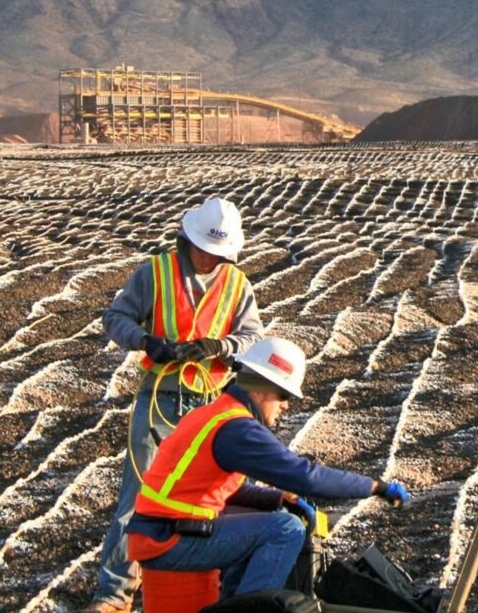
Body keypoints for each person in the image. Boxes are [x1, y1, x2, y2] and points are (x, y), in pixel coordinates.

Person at [125, 337, 410, 599]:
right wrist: (376, 487)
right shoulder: (237, 429)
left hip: (160, 532)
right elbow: (305, 476)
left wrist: (278, 499)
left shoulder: (213, 413)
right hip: (168, 540)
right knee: (284, 529)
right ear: (262, 387)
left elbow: (223, 489)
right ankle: (251, 609)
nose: (286, 406)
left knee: (270, 520)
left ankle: (231, 604)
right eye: (284, 395)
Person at [86, 198, 264, 613]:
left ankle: (205, 585)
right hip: (160, 400)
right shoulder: (155, 273)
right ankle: (113, 596)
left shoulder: (238, 285)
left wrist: (217, 346)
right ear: (187, 240)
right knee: (140, 496)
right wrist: (147, 342)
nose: (210, 259)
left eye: (219, 254)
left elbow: (253, 337)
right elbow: (116, 318)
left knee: (212, 496)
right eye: (204, 250)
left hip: (210, 401)